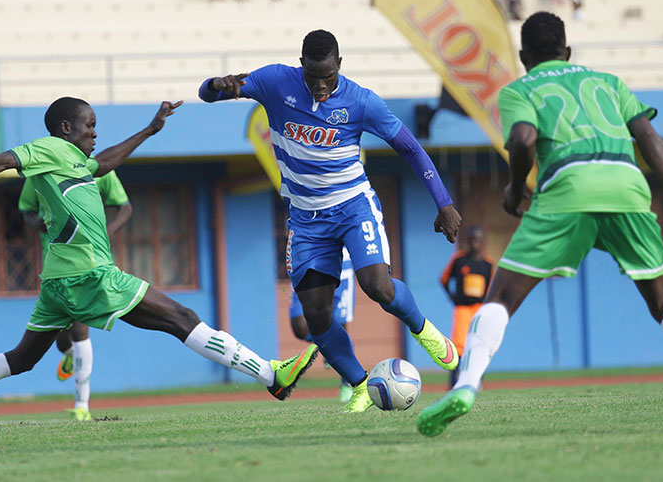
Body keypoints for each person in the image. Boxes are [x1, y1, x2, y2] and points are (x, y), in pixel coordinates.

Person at [416, 11, 663, 436]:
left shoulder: (520, 90)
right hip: (627, 187)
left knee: (503, 296)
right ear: (567, 52)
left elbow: (524, 140)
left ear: (524, 57)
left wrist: (515, 190)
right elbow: (650, 139)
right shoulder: (611, 83)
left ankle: (468, 385)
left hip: (566, 190)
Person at [0, 98, 318, 433]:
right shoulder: (48, 149)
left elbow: (104, 162)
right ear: (64, 128)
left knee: (21, 359)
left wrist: (148, 130)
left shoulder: (74, 162)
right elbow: (1, 160)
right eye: (88, 125)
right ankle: (271, 375)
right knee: (181, 317)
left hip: (58, 281)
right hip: (90, 275)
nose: (94, 132)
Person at [198, 29, 463, 413]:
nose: (321, 86)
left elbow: (409, 147)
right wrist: (216, 84)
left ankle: (425, 330)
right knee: (315, 315)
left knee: (377, 286)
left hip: (354, 206)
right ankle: (358, 384)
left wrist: (444, 203)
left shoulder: (361, 101)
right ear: (301, 64)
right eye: (313, 77)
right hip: (306, 220)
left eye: (328, 77)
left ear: (340, 65)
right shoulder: (275, 81)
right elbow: (209, 94)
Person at [18, 169, 132, 421]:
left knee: (81, 331)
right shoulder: (41, 172)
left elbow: (124, 207)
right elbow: (26, 208)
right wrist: (33, 222)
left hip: (90, 265)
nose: (91, 134)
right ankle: (71, 356)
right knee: (62, 341)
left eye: (93, 126)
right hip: (55, 269)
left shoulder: (99, 168)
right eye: (88, 126)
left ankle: (82, 406)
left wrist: (109, 230)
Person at [289, 247, 356, 403]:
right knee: (300, 326)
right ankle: (327, 343)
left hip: (341, 265)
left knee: (340, 325)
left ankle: (349, 381)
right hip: (306, 260)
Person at [440, 225, 493, 388]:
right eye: (472, 240)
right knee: (459, 345)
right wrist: (453, 298)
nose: (475, 244)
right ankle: (453, 382)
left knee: (479, 343)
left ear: (483, 243)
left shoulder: (488, 264)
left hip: (479, 310)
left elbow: (490, 288)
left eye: (479, 241)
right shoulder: (459, 260)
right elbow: (444, 280)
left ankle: (478, 380)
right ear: (468, 241)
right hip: (462, 309)